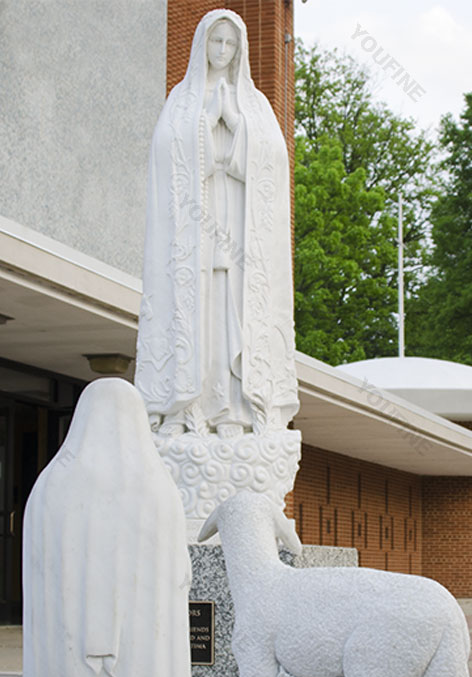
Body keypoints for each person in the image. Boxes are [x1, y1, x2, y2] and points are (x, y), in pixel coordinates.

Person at [23, 378, 191, 677]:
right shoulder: (156, 487)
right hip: (140, 657)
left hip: (66, 653)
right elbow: (178, 575)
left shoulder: (49, 486)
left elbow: (35, 567)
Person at [135, 10, 298, 438]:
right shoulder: (182, 101)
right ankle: (187, 405)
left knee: (232, 308)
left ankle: (233, 409)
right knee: (196, 309)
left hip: (238, 223)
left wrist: (237, 124)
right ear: (202, 46)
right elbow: (165, 155)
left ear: (240, 49)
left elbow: (273, 161)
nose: (222, 52)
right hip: (194, 229)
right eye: (216, 43)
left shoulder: (256, 105)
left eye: (230, 44)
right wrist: (207, 122)